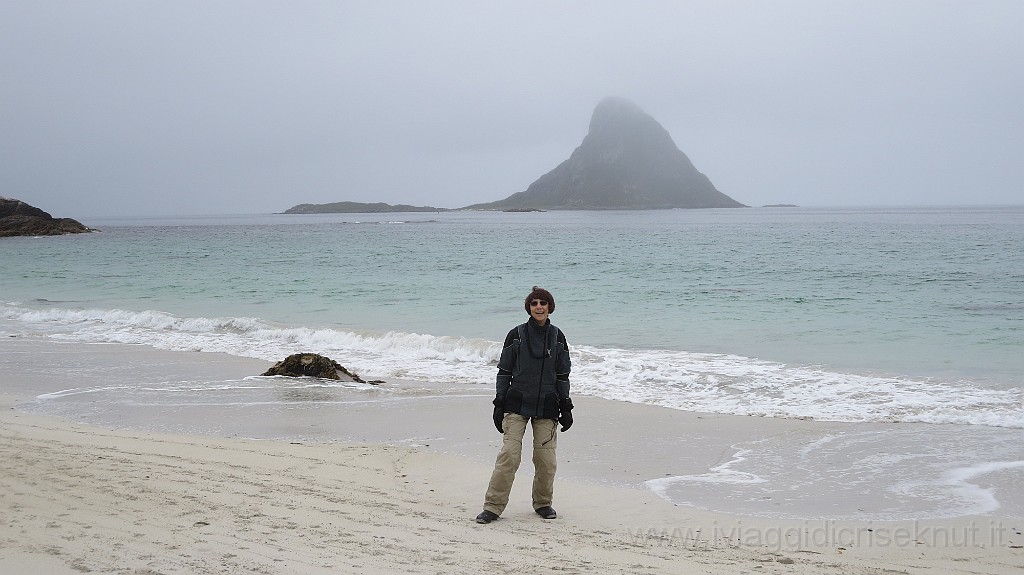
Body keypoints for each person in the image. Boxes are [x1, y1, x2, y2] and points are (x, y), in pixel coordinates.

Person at [476, 286, 573, 524]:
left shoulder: (558, 336)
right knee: (509, 455)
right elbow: (504, 371)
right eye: (534, 303)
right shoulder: (516, 335)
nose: (539, 307)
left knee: (546, 460)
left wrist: (566, 406)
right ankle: (493, 506)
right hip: (516, 403)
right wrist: (499, 403)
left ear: (550, 307)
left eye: (543, 303)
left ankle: (543, 503)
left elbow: (562, 375)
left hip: (547, 405)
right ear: (529, 307)